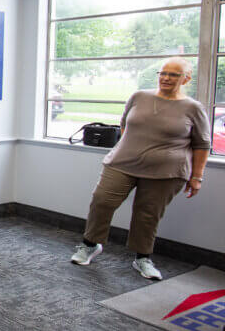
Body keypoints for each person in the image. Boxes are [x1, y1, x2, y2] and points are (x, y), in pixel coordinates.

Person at [70, 57, 210, 280]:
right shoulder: (139, 97)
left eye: (173, 75)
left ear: (186, 79)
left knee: (148, 214)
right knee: (102, 201)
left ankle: (142, 258)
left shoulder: (193, 108)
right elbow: (124, 125)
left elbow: (202, 144)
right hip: (122, 163)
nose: (166, 78)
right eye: (163, 73)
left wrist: (197, 177)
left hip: (166, 172)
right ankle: (90, 244)